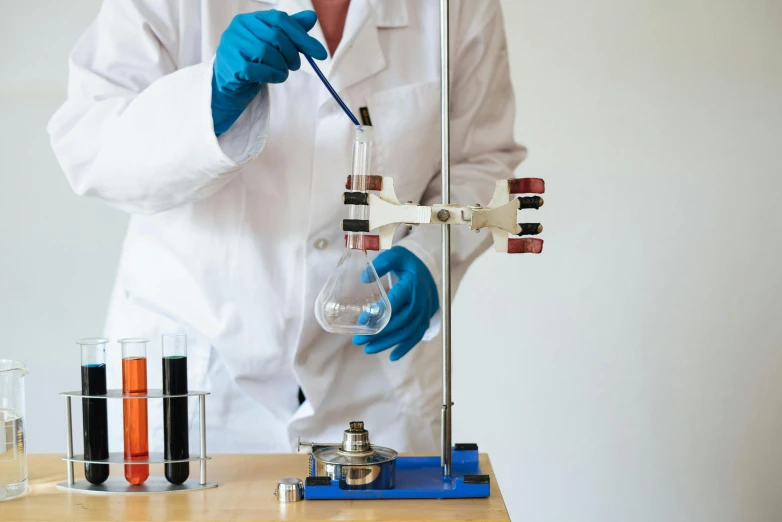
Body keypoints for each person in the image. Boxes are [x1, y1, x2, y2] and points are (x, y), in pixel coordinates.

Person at [48, 0, 524, 453]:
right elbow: (88, 144)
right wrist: (209, 97)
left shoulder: (455, 8)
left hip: (374, 387)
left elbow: (481, 160)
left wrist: (432, 254)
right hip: (194, 379)